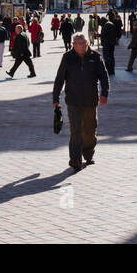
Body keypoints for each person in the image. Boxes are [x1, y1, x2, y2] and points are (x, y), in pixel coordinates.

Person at [52, 34, 109, 172]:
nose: (82, 46)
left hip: (90, 100)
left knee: (89, 130)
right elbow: (59, 79)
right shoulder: (67, 57)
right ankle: (75, 161)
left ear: (88, 43)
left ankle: (88, 154)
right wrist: (55, 99)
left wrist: (104, 94)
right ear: (73, 44)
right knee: (76, 131)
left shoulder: (95, 56)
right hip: (73, 101)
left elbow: (104, 76)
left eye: (84, 43)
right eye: (79, 43)